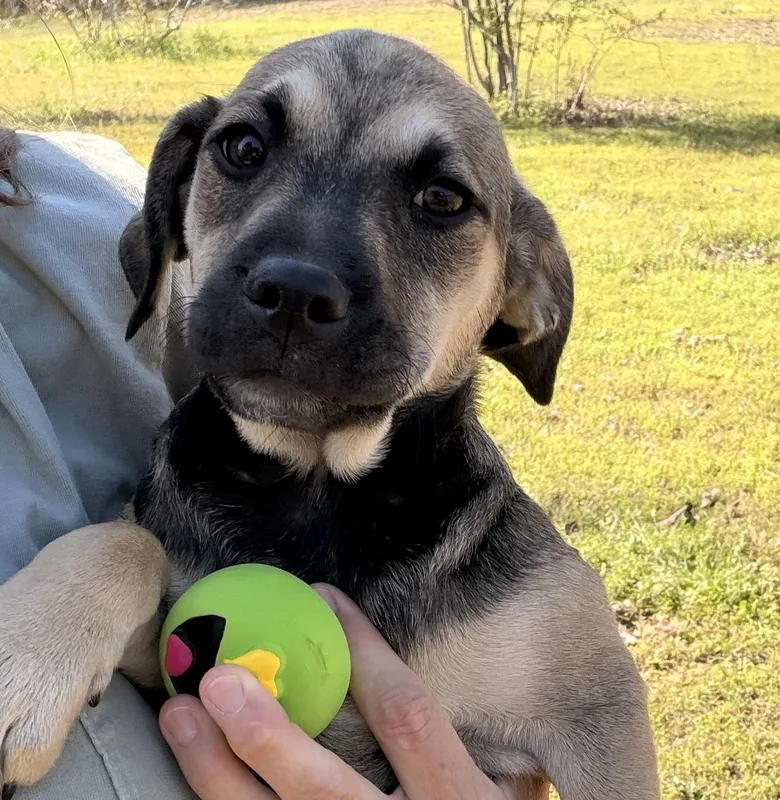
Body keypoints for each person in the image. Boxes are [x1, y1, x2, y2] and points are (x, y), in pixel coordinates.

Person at [0, 129, 523, 800]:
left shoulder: (94, 206)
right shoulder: (155, 213)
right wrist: (100, 575)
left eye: (440, 198)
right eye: (246, 154)